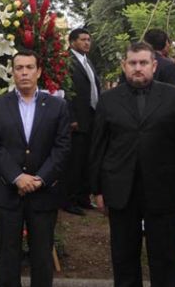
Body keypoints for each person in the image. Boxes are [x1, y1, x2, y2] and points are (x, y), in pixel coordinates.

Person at [89, 42, 175, 287]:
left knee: (165, 260)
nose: (137, 68)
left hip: (165, 190)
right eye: (132, 63)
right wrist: (97, 189)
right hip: (121, 190)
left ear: (154, 66)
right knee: (123, 260)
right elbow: (98, 147)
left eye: (143, 63)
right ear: (124, 66)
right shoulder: (108, 100)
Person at [0, 49, 71, 287]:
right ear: (12, 72)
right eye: (19, 68)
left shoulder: (57, 106)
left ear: (39, 71)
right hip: (6, 191)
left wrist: (39, 179)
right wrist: (17, 177)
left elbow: (62, 147)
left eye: (29, 67)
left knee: (42, 256)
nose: (24, 72)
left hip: (44, 192)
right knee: (7, 255)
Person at [63, 28, 101, 215]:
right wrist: (71, 117)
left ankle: (84, 197)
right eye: (83, 39)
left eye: (89, 39)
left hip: (92, 117)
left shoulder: (87, 61)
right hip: (77, 120)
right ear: (72, 42)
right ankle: (68, 200)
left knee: (88, 159)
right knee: (75, 161)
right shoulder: (67, 61)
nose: (87, 42)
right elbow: (65, 91)